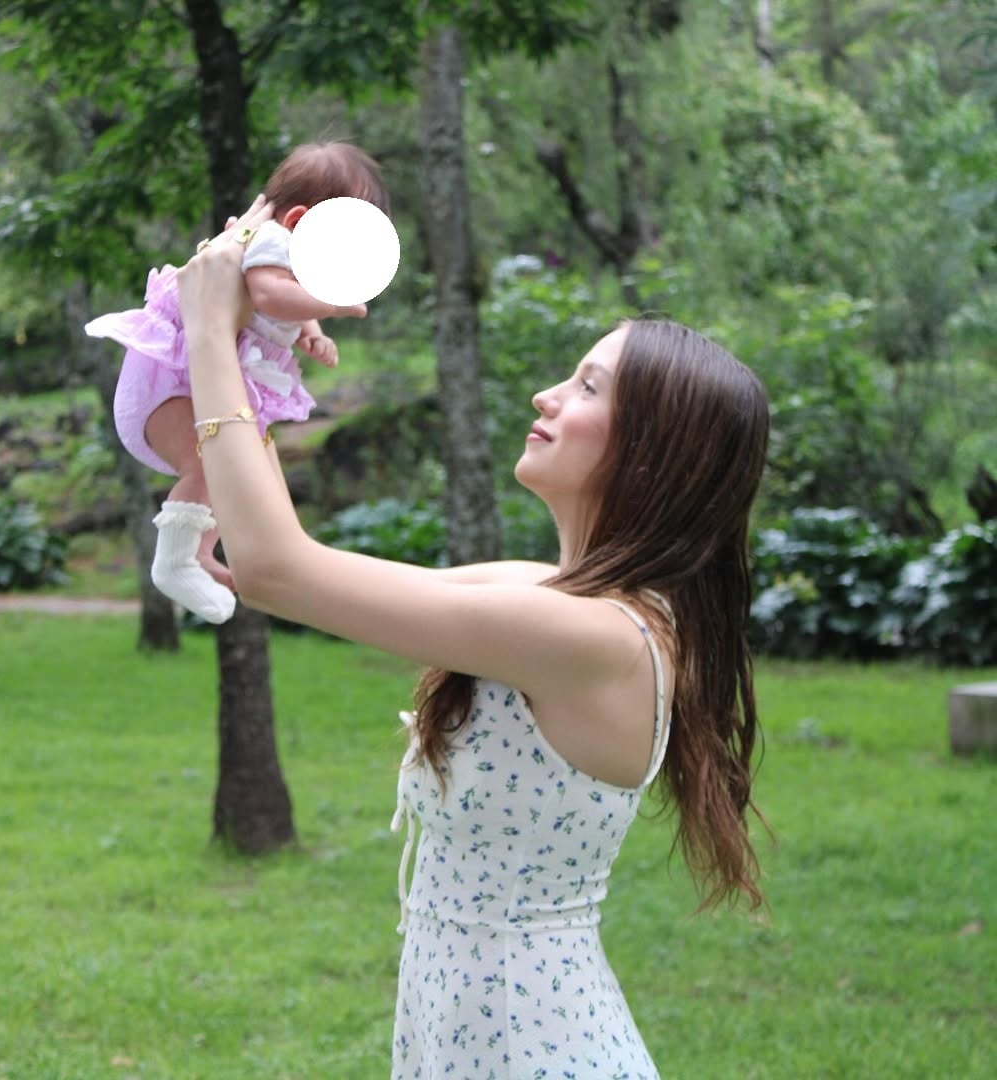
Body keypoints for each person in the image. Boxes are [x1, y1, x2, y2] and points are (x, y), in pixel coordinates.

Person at [177, 197, 770, 1078]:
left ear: (652, 452)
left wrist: (207, 332)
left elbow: (275, 569)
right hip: (483, 1038)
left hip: (532, 1051)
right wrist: (255, 347)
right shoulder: (549, 598)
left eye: (589, 388)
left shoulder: (583, 634)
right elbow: (291, 563)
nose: (548, 393)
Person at [85, 143, 389, 624]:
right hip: (171, 384)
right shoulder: (270, 241)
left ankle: (202, 555)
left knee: (230, 472)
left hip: (198, 380)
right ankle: (172, 562)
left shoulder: (294, 253)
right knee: (210, 463)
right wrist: (329, 306)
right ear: (297, 220)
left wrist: (312, 333)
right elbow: (269, 293)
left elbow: (283, 310)